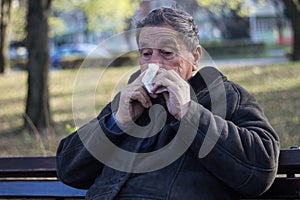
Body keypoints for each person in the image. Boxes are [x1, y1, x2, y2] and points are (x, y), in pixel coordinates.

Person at [56, 7, 280, 200]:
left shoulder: (226, 96)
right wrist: (117, 122)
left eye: (166, 53)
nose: (155, 63)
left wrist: (189, 113)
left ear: (195, 57)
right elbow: (68, 169)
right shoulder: (129, 101)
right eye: (146, 54)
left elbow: (261, 169)